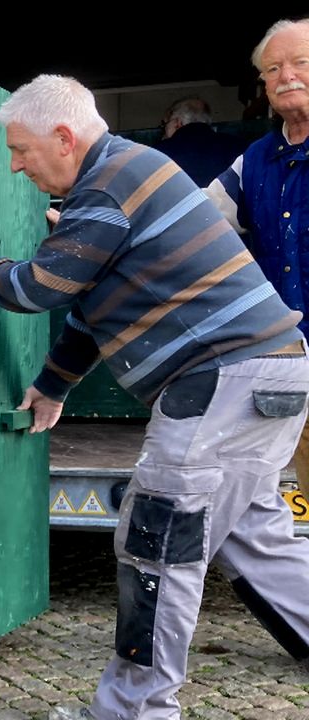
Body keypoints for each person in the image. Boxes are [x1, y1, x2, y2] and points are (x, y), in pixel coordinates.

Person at [0, 74, 309, 720]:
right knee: (253, 535)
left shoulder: (105, 185)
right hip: (270, 374)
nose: (15, 166)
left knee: (158, 545)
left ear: (63, 138)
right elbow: (89, 311)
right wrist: (53, 386)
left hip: (221, 380)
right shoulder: (123, 180)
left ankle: (135, 712)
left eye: (20, 150)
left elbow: (38, 288)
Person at [207, 18, 309, 491]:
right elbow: (197, 222)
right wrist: (111, 225)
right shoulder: (254, 160)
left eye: (301, 62)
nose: (286, 76)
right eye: (273, 69)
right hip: (291, 361)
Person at [153, 96, 248, 186]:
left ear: (177, 123)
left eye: (164, 124)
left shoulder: (158, 154)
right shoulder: (239, 147)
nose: (163, 130)